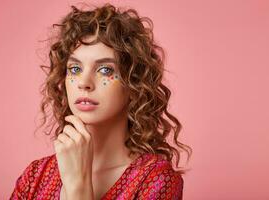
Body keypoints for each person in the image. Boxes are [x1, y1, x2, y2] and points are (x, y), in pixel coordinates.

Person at [10, 3, 192, 200]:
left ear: (133, 84)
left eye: (105, 70)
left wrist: (78, 187)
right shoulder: (35, 175)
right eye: (75, 69)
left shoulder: (156, 180)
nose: (84, 83)